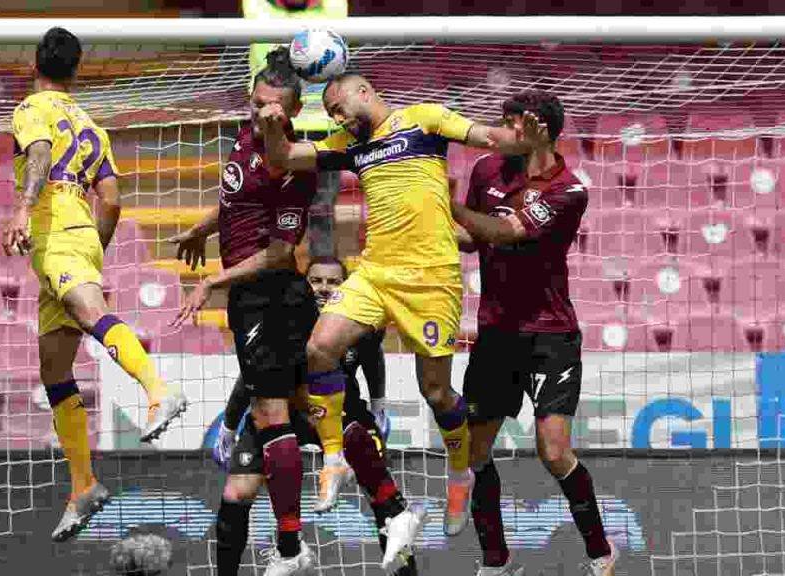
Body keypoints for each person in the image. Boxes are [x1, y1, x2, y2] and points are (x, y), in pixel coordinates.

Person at [170, 49, 422, 575]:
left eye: (275, 110)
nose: (265, 114)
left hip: (271, 296)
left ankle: (290, 548)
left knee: (274, 415)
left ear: (292, 111)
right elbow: (239, 201)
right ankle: (392, 511)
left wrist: (214, 280)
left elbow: (283, 252)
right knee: (328, 410)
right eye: (259, 103)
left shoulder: (294, 164)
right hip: (257, 299)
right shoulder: (245, 136)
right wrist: (203, 227)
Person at [257, 73, 543, 536]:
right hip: (375, 272)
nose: (335, 116)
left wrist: (522, 140)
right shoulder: (350, 143)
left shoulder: (423, 120)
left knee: (436, 393)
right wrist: (272, 126)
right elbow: (285, 156)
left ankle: (458, 473)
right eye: (329, 112)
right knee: (319, 349)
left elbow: (491, 137)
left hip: (431, 279)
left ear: (364, 91)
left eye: (337, 105)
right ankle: (333, 458)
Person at [1, 26, 186, 542]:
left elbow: (37, 155)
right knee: (54, 368)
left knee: (88, 312)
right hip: (79, 231)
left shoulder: (30, 108)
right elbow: (113, 197)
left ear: (35, 64)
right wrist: (93, 247)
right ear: (76, 71)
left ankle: (157, 388)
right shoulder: (92, 126)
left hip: (55, 227)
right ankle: (82, 485)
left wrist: (22, 209)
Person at [449, 90, 617, 576]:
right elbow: (475, 235)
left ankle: (600, 552)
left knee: (553, 450)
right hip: (496, 334)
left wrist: (449, 205)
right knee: (475, 451)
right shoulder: (486, 170)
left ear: (539, 127)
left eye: (509, 123)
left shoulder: (569, 190)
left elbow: (506, 232)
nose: (499, 131)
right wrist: (435, 227)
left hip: (550, 337)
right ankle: (496, 563)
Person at [213, 256, 416, 575]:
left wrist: (378, 405)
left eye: (334, 282)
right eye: (316, 280)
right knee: (236, 493)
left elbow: (373, 361)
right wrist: (229, 424)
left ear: (345, 287)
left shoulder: (358, 321)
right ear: (304, 285)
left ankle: (406, 568)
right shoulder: (281, 317)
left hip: (339, 412)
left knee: (380, 492)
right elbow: (250, 375)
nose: (324, 288)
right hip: (281, 412)